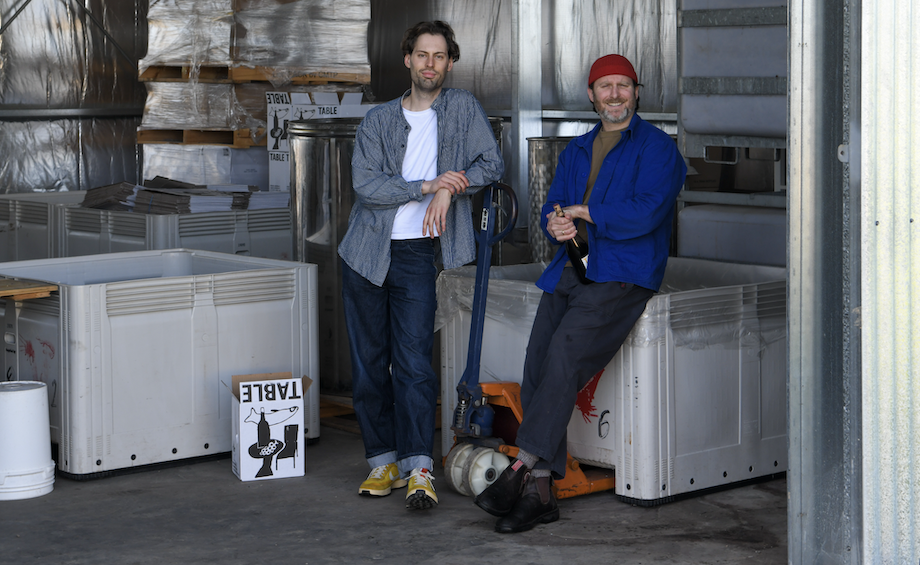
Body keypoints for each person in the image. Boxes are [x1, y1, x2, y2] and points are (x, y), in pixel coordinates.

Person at [474, 54, 687, 532]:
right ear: (591, 95)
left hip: (623, 273)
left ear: (637, 92)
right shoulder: (576, 150)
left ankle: (523, 466)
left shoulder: (657, 149)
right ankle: (542, 495)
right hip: (572, 268)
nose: (614, 94)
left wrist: (587, 212)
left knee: (566, 355)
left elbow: (649, 211)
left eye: (623, 86)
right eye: (604, 86)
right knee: (537, 364)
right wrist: (556, 219)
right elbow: (555, 203)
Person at [339, 20, 504, 511]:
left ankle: (419, 468)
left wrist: (452, 187)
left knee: (412, 365)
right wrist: (428, 186)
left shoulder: (462, 109)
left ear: (449, 63)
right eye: (422, 55)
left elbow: (491, 165)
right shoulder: (377, 120)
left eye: (439, 56)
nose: (430, 64)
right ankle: (383, 460)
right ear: (407, 60)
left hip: (417, 255)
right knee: (370, 364)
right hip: (365, 254)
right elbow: (367, 187)